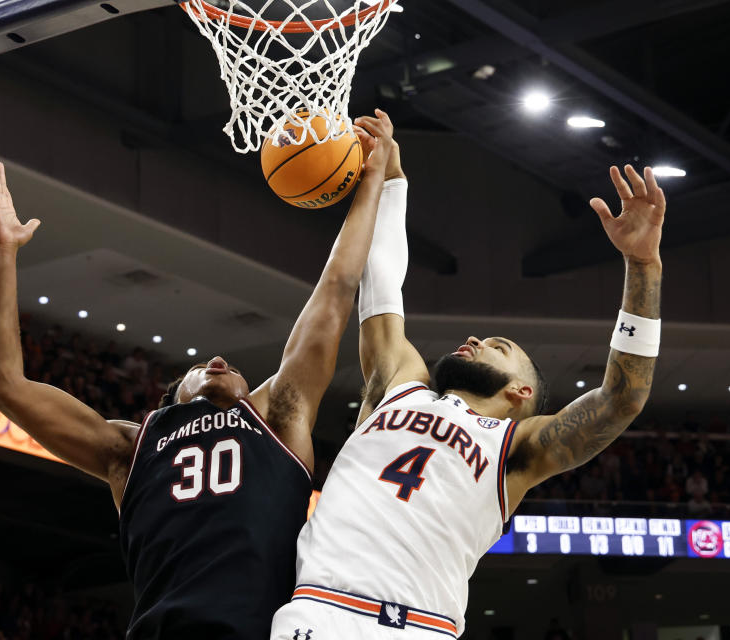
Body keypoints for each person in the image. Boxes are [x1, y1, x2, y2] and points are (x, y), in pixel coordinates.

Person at [0, 111, 395, 640]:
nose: (219, 362)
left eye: (233, 369)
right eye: (201, 367)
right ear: (170, 396)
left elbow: (337, 288)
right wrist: (3, 253)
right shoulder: (131, 448)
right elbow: (4, 384)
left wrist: (374, 180)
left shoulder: (278, 413)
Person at [271, 140, 665, 639]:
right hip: (320, 611)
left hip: (421, 627)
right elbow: (383, 287)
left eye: (498, 346)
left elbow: (621, 399)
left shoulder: (516, 450)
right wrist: (392, 181)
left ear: (522, 392)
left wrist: (643, 266)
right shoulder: (399, 385)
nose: (476, 340)